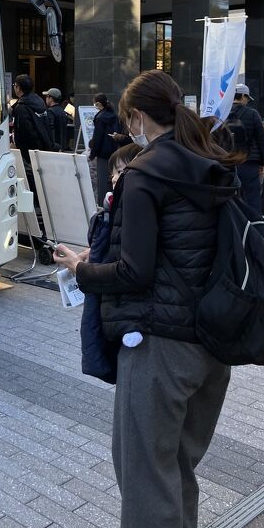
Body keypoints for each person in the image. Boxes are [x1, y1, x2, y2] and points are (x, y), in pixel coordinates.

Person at [55, 69, 240, 528]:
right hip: (213, 345)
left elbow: (134, 272)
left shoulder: (144, 174)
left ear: (137, 117)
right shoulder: (210, 160)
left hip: (160, 349)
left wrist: (81, 269)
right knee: (175, 471)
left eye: (126, 120)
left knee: (145, 482)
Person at [80, 142, 142, 384]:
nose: (115, 178)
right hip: (107, 292)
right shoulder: (112, 206)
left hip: (120, 300)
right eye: (114, 173)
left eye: (121, 171)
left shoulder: (134, 208)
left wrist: (80, 269)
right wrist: (92, 253)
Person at [225, 83, 264, 214]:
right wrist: (263, 162)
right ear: (243, 96)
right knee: (252, 196)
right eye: (247, 98)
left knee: (230, 195)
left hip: (227, 161)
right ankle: (254, 222)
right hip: (249, 160)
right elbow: (262, 140)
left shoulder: (223, 113)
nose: (247, 101)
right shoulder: (252, 114)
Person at [11, 74, 54, 162]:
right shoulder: (40, 101)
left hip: (30, 152)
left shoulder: (21, 107)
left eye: (15, 85)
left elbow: (26, 131)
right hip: (45, 145)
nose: (14, 87)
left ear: (18, 88)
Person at [88, 93, 121, 206]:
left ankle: (103, 205)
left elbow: (97, 138)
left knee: (102, 181)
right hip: (114, 152)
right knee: (111, 180)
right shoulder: (114, 115)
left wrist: (92, 154)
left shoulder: (100, 118)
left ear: (98, 103)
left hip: (102, 154)